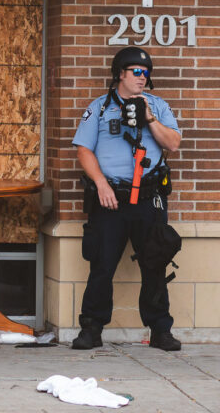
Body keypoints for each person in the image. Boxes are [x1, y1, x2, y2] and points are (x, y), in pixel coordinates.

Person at [71, 46, 182, 351]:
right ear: (120, 74)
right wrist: (101, 183)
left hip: (149, 200)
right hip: (111, 200)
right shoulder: (100, 108)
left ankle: (160, 330)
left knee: (155, 266)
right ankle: (91, 329)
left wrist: (149, 119)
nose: (141, 77)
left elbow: (173, 143)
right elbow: (83, 150)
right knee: (102, 266)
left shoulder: (157, 106)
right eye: (135, 71)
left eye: (146, 73)